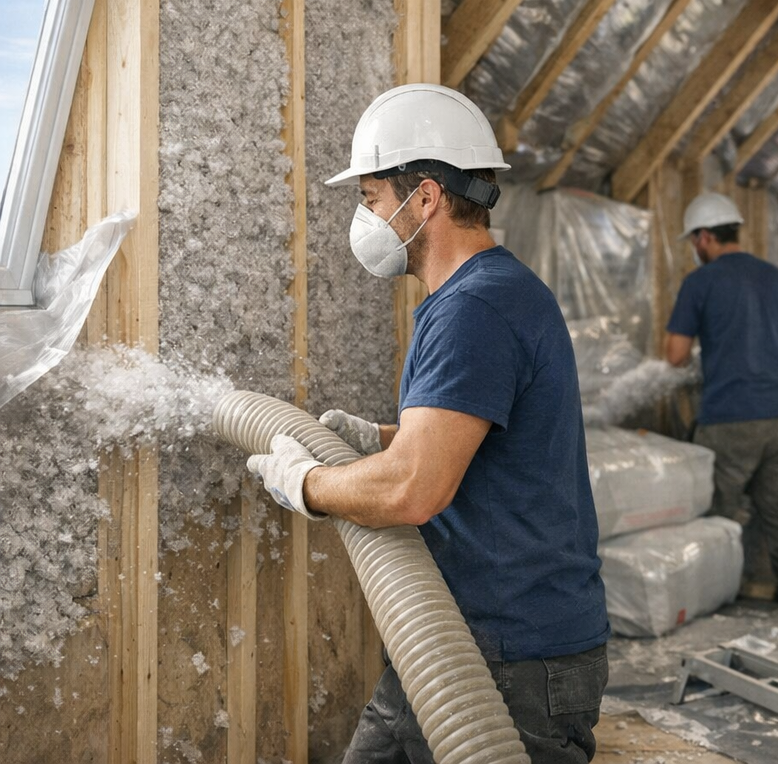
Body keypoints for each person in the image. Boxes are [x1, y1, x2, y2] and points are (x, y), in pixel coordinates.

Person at [247, 84, 610, 764]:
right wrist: (379, 439)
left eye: (371, 200)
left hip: (513, 661)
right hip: (458, 641)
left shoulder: (478, 309)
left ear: (426, 199)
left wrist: (308, 485)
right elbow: (473, 443)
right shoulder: (484, 296)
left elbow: (414, 491)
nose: (367, 219)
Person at [663, 192, 778, 605]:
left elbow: (676, 355)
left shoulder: (699, 283)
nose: (694, 250)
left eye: (693, 242)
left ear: (703, 238)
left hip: (729, 419)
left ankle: (712, 599)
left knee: (715, 512)